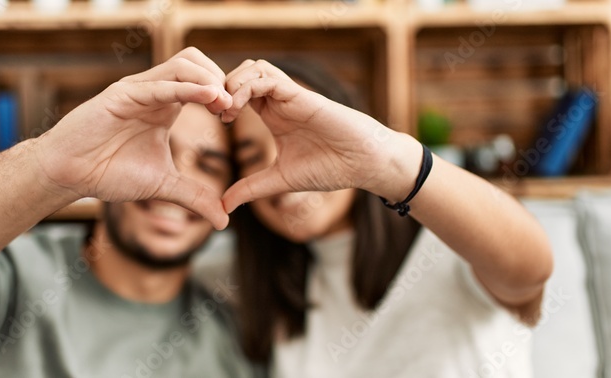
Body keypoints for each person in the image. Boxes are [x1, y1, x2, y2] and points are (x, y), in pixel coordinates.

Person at [0, 48, 260, 377]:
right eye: (158, 151)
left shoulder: (236, 334)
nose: (173, 181)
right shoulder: (14, 278)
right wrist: (51, 166)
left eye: (209, 166)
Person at [220, 60, 554, 377]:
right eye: (251, 156)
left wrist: (387, 164)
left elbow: (530, 271)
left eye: (302, 139)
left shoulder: (446, 238)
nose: (282, 165)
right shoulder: (262, 288)